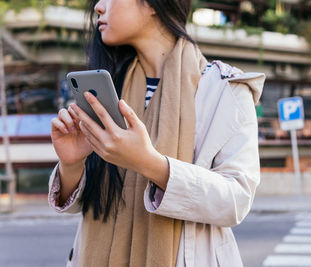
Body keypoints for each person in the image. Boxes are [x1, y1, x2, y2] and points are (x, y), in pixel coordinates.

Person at [48, 0, 266, 266]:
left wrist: (151, 164)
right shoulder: (110, 89)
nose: (99, 7)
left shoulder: (225, 90)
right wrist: (72, 164)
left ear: (152, 4)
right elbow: (81, 204)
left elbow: (236, 200)